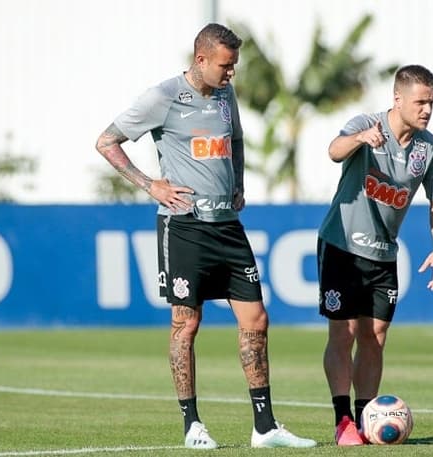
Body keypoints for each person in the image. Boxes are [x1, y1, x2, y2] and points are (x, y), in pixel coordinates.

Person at [95, 23, 316, 450]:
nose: (231, 73)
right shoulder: (162, 97)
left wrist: (239, 185)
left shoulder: (226, 95)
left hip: (227, 226)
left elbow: (236, 139)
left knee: (257, 319)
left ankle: (265, 427)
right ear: (201, 59)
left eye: (234, 65)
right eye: (225, 65)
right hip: (185, 226)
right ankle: (192, 424)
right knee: (186, 323)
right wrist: (150, 184)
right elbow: (106, 141)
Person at [317, 64, 433, 446]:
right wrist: (361, 138)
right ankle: (343, 420)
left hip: (383, 253)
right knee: (343, 334)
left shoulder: (429, 148)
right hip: (342, 244)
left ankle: (366, 417)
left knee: (374, 336)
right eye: (421, 102)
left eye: (432, 103)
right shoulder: (368, 124)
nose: (427, 110)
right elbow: (333, 151)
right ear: (398, 99)